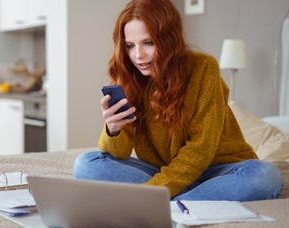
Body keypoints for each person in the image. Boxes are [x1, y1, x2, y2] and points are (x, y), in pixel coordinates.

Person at [73, 0, 283, 201]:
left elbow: (200, 150)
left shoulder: (203, 68)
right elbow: (119, 154)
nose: (138, 55)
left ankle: (163, 200)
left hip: (217, 171)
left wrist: (151, 193)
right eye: (129, 45)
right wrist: (113, 129)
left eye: (148, 43)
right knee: (85, 163)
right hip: (165, 170)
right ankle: (184, 199)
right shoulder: (130, 77)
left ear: (168, 39)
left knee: (265, 176)